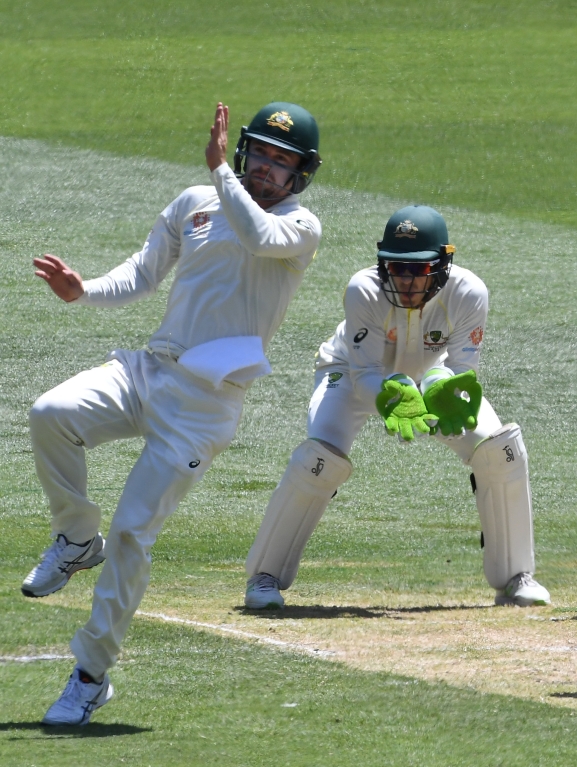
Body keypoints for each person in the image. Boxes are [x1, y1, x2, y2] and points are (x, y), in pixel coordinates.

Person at [24, 101, 323, 725]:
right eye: (260, 154)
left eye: (282, 161)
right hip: (149, 369)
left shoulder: (299, 229)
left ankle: (89, 676)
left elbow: (257, 234)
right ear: (244, 151)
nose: (268, 169)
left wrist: (223, 174)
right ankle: (78, 537)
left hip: (204, 406)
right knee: (51, 412)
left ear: (300, 175)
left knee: (133, 534)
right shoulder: (196, 201)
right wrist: (85, 291)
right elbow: (141, 274)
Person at [242, 204, 550, 611]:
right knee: (320, 456)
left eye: (417, 270)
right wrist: (392, 397)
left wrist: (442, 394)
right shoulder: (363, 289)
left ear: (442, 264)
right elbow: (365, 371)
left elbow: (461, 370)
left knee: (498, 450)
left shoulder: (469, 292)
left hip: (431, 373)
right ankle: (264, 577)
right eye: (396, 267)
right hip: (352, 373)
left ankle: (515, 577)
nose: (404, 280)